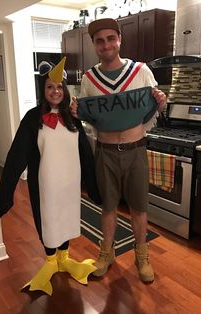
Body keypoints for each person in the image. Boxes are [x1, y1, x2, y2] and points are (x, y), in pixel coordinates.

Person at [0, 57, 101, 296]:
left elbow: (85, 152)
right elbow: (16, 155)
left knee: (67, 219)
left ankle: (66, 259)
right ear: (43, 90)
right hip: (46, 184)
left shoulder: (73, 116)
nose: (56, 91)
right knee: (49, 221)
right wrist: (5, 194)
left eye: (59, 87)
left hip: (70, 183)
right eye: (50, 86)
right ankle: (50, 263)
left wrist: (92, 185)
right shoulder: (32, 118)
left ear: (65, 89)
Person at [70, 18, 167, 283]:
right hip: (105, 152)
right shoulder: (89, 79)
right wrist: (77, 113)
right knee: (108, 207)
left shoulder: (141, 71)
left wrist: (160, 103)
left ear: (119, 40)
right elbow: (91, 120)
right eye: (100, 41)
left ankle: (141, 255)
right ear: (94, 45)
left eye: (111, 38)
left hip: (136, 150)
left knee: (138, 207)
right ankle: (107, 252)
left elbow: (152, 110)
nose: (106, 45)